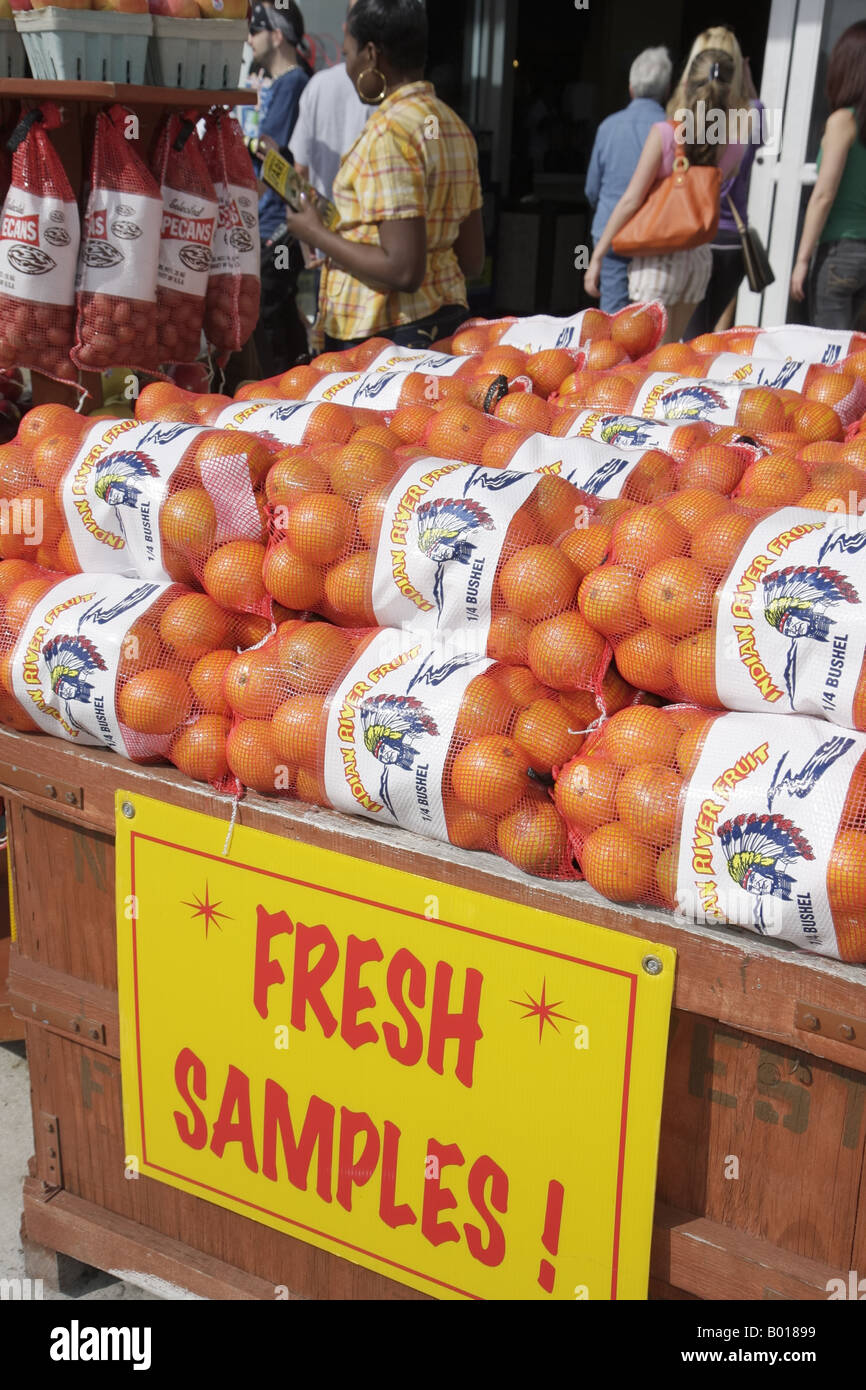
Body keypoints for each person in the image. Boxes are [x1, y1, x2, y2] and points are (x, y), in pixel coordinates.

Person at [281, 0, 485, 352]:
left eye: (347, 55)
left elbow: (404, 269)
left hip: (383, 343)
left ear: (371, 54)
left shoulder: (389, 134)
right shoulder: (452, 126)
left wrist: (314, 231)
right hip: (447, 326)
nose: (347, 67)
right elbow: (472, 260)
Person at [584, 48, 743, 344]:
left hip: (658, 259)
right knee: (672, 350)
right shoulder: (732, 141)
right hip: (697, 257)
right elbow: (725, 175)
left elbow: (631, 199)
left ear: (684, 85)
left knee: (642, 353)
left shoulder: (666, 133)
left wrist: (598, 255)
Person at [677, 27, 764, 336]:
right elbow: (760, 120)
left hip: (693, 237)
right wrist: (748, 83)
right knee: (711, 337)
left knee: (683, 340)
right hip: (731, 243)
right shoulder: (753, 114)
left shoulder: (685, 112)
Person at [247, 0, 311, 374]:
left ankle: (282, 387)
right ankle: (294, 380)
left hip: (279, 222)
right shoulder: (289, 82)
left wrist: (246, 146)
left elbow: (274, 155)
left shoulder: (293, 82)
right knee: (279, 305)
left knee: (267, 304)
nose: (249, 38)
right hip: (276, 218)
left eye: (255, 30)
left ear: (277, 35)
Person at [584, 46, 673, 314]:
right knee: (651, 323)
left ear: (631, 89)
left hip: (611, 237)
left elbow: (591, 190)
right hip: (655, 239)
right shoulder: (673, 130)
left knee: (614, 325)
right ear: (667, 90)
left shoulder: (608, 126)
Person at [791, 20, 866, 331]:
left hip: (840, 250)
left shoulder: (843, 122)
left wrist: (802, 260)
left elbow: (823, 195)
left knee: (833, 357)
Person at [290, 9, 369, 203]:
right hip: (367, 224)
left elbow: (300, 169)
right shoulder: (396, 99)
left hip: (324, 221)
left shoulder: (318, 84)